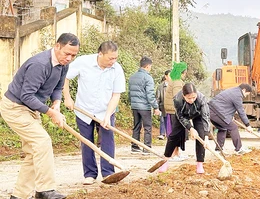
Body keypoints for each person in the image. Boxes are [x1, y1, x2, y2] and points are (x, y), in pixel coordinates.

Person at [0, 33, 80, 199]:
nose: (70, 58)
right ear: (57, 46)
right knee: (42, 141)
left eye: (74, 55)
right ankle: (45, 190)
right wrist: (50, 113)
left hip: (31, 109)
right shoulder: (40, 64)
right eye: (67, 53)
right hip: (15, 107)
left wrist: (56, 104)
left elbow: (57, 88)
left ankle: (19, 195)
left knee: (33, 151)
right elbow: (26, 96)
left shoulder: (63, 65)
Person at [63, 41, 126, 185]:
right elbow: (64, 76)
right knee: (86, 142)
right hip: (83, 109)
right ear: (100, 54)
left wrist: (108, 116)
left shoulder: (117, 69)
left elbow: (116, 95)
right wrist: (67, 98)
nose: (113, 61)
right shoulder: (83, 62)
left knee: (107, 140)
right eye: (110, 58)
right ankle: (90, 174)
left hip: (105, 110)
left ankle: (108, 173)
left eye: (115, 58)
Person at [158, 83, 210, 173]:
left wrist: (206, 137)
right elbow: (181, 117)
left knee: (200, 136)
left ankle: (200, 164)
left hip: (198, 116)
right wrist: (190, 128)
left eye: (194, 97)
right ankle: (165, 160)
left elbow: (205, 116)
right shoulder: (177, 99)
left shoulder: (202, 99)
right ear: (183, 95)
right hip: (183, 116)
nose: (192, 100)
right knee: (173, 136)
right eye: (189, 98)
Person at [209, 83, 253, 155]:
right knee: (233, 127)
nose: (245, 96)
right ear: (244, 90)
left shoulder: (232, 90)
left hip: (211, 111)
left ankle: (218, 149)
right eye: (247, 94)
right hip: (217, 113)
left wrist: (229, 116)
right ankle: (239, 149)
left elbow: (225, 103)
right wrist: (248, 125)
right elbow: (241, 111)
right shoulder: (238, 95)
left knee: (222, 128)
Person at [129, 56, 160, 154]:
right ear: (148, 66)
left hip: (134, 106)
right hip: (144, 107)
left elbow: (130, 93)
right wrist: (155, 107)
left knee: (136, 126)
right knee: (147, 127)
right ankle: (147, 147)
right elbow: (150, 95)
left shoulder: (132, 77)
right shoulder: (148, 78)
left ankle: (134, 146)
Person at [164, 61, 188, 161]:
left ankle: (177, 153)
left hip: (172, 109)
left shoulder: (174, 80)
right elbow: (177, 97)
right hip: (175, 111)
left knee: (177, 133)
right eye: (185, 72)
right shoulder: (177, 82)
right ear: (182, 72)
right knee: (176, 133)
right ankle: (173, 154)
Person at [155, 70, 171, 140]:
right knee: (163, 120)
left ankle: (169, 134)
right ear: (166, 76)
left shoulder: (174, 85)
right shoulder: (160, 87)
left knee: (170, 121)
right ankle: (162, 134)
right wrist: (156, 108)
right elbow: (157, 98)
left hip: (172, 107)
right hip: (163, 107)